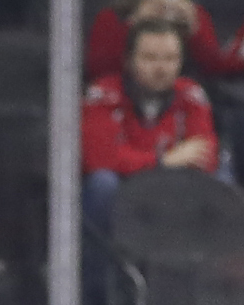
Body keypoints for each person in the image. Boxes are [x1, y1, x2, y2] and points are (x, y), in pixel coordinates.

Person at [81, 17, 224, 233]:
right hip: (122, 189)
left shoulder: (191, 95)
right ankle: (96, 266)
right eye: (149, 58)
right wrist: (163, 161)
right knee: (103, 183)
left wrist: (144, 161)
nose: (161, 68)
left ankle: (197, 265)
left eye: (170, 58)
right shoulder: (102, 94)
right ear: (128, 60)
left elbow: (204, 157)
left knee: (221, 180)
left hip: (174, 188)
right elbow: (100, 159)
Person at [85, 0, 238, 85]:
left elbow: (213, 66)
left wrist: (195, 29)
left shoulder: (195, 14)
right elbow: (98, 69)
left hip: (180, 91)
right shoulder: (114, 15)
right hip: (125, 90)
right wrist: (135, 22)